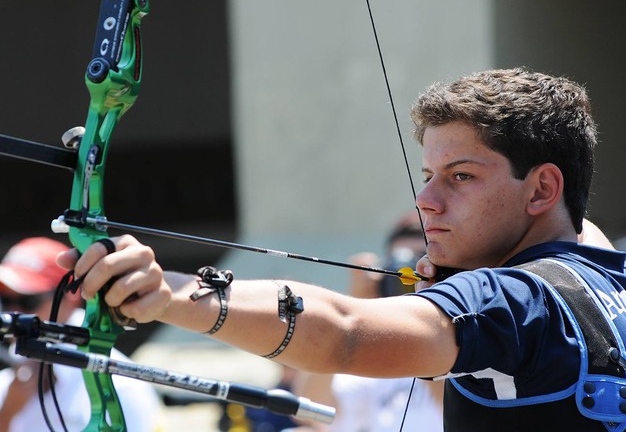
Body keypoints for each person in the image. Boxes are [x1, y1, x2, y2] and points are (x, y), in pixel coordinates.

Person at [56, 68, 626, 431]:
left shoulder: (510, 299)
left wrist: (172, 298)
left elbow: (345, 332)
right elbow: (581, 233)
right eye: (428, 174)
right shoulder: (607, 281)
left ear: (543, 188)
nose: (425, 200)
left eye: (460, 177)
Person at [0, 237, 164, 432]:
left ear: (71, 296)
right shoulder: (1, 387)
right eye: (4, 301)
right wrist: (6, 414)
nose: (13, 314)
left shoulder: (120, 385)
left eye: (28, 301)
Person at [292, 211, 443, 432]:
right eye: (398, 266)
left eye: (420, 263)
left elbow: (455, 409)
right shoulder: (376, 351)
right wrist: (350, 314)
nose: (408, 276)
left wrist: (428, 313)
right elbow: (314, 410)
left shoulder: (467, 333)